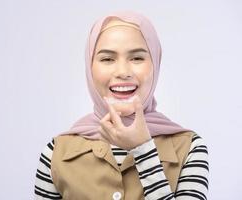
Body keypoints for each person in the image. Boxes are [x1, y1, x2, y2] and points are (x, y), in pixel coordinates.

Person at [34, 11, 209, 200]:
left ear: (155, 64)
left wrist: (143, 149)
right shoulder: (56, 153)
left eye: (137, 58)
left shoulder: (190, 147)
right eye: (107, 59)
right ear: (90, 67)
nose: (123, 71)